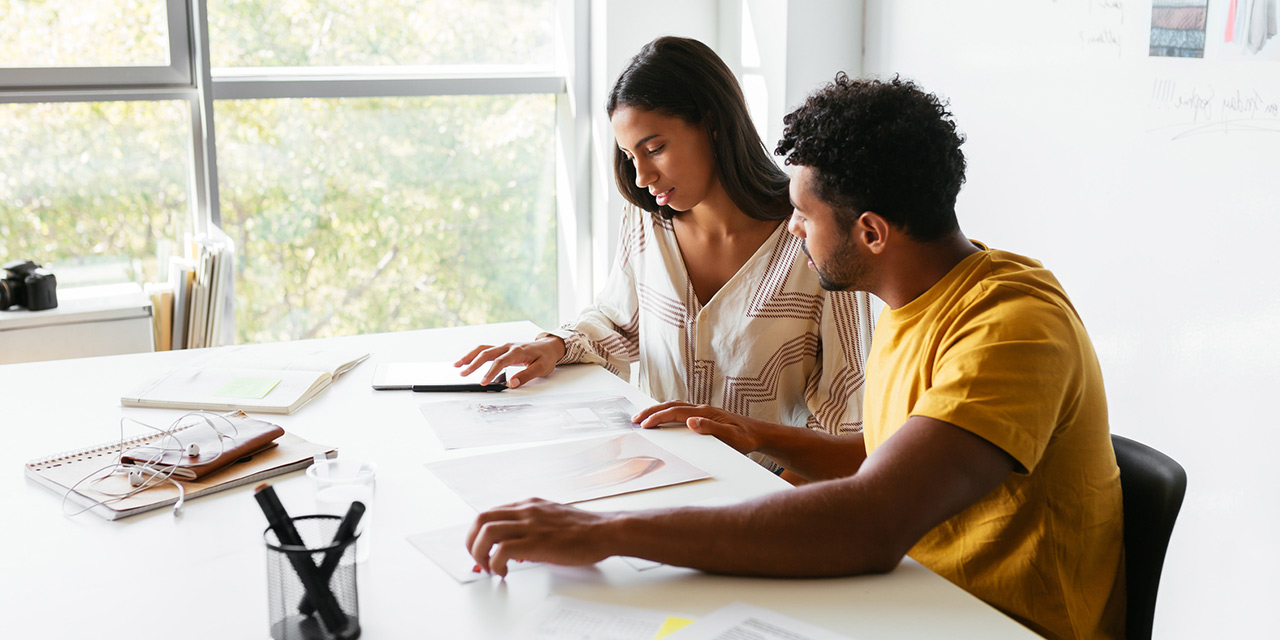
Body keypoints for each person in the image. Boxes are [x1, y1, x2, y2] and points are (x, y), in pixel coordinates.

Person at [466, 74, 1126, 640]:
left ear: (871, 232)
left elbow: (871, 519)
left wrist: (606, 532)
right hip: (906, 597)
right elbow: (891, 456)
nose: (791, 230)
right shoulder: (916, 292)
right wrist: (757, 433)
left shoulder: (1013, 328)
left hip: (988, 622)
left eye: (803, 217)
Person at [455, 37, 872, 473]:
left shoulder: (813, 237)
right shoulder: (647, 222)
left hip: (771, 499)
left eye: (654, 148)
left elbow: (848, 408)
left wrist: (776, 495)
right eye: (629, 155)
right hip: (656, 478)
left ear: (713, 124)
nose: (642, 175)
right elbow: (621, 323)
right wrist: (553, 344)